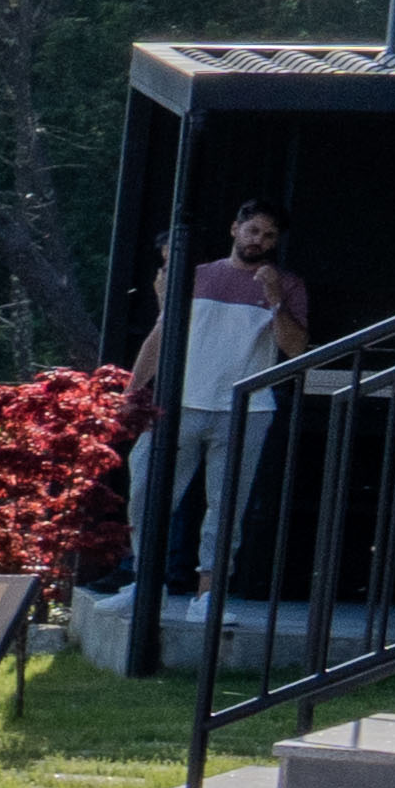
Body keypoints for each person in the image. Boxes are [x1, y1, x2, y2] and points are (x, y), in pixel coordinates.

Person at [136, 203, 310, 597]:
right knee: (148, 491)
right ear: (235, 229)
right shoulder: (196, 276)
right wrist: (132, 394)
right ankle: (145, 584)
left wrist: (274, 297)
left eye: (269, 236)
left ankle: (209, 595)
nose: (258, 241)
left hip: (246, 409)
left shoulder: (287, 284)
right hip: (180, 402)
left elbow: (296, 348)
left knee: (227, 506)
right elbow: (161, 336)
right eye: (253, 230)